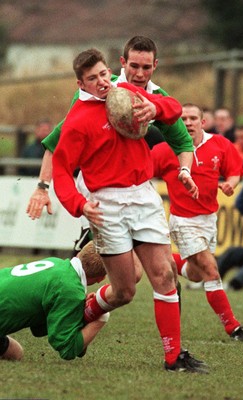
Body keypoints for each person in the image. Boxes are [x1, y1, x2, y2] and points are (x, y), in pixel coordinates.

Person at [51, 48, 207, 373]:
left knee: (164, 275)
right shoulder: (78, 120)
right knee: (124, 290)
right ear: (80, 82)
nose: (102, 82)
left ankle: (173, 357)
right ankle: (84, 311)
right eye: (93, 78)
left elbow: (174, 108)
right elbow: (62, 171)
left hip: (143, 196)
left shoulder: (125, 94)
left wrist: (155, 106)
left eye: (105, 74)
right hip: (106, 205)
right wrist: (79, 204)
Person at [26, 36, 195, 242]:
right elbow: (56, 144)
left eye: (146, 67)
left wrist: (185, 170)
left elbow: (183, 141)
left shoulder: (154, 97)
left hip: (136, 192)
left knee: (156, 268)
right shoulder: (95, 92)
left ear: (155, 66)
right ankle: (72, 268)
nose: (140, 74)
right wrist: (42, 187)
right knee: (97, 266)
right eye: (134, 66)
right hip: (97, 192)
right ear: (122, 63)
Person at [151, 103, 243, 341]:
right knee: (210, 270)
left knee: (196, 274)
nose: (187, 123)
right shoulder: (165, 149)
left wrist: (231, 183)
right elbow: (139, 173)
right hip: (183, 221)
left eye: (192, 118)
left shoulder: (220, 144)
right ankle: (233, 327)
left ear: (202, 122)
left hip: (209, 219)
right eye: (182, 119)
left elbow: (236, 170)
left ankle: (164, 263)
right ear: (176, 123)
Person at [0, 241, 109, 361]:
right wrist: (99, 319)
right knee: (14, 354)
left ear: (79, 254)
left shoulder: (55, 262)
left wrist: (78, 313)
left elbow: (39, 328)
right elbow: (68, 348)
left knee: (14, 353)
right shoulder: (70, 290)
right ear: (102, 278)